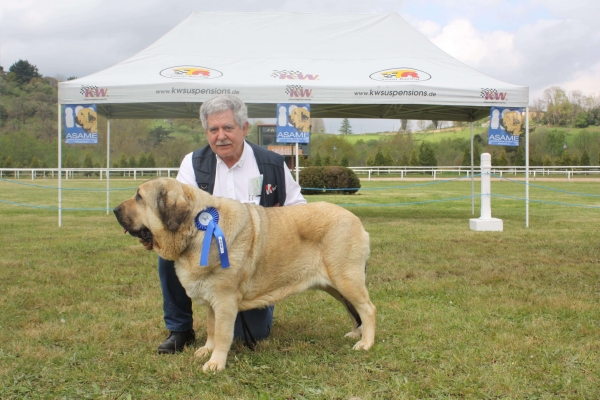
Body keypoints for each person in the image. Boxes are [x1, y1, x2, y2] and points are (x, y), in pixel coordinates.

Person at [149, 94, 306, 354]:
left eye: (228, 128)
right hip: (203, 254)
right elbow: (176, 213)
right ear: (206, 131)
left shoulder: (273, 163)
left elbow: (300, 211)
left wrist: (278, 222)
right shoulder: (192, 164)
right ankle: (180, 329)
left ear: (244, 128)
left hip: (253, 263)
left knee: (250, 335)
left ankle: (252, 309)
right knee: (168, 253)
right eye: (214, 129)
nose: (221, 136)